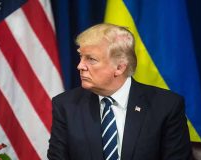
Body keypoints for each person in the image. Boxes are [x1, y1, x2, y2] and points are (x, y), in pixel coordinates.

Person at [47, 23, 191, 160]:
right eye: (81, 57)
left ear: (119, 68)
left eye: (91, 59)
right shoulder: (66, 105)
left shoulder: (166, 106)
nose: (80, 66)